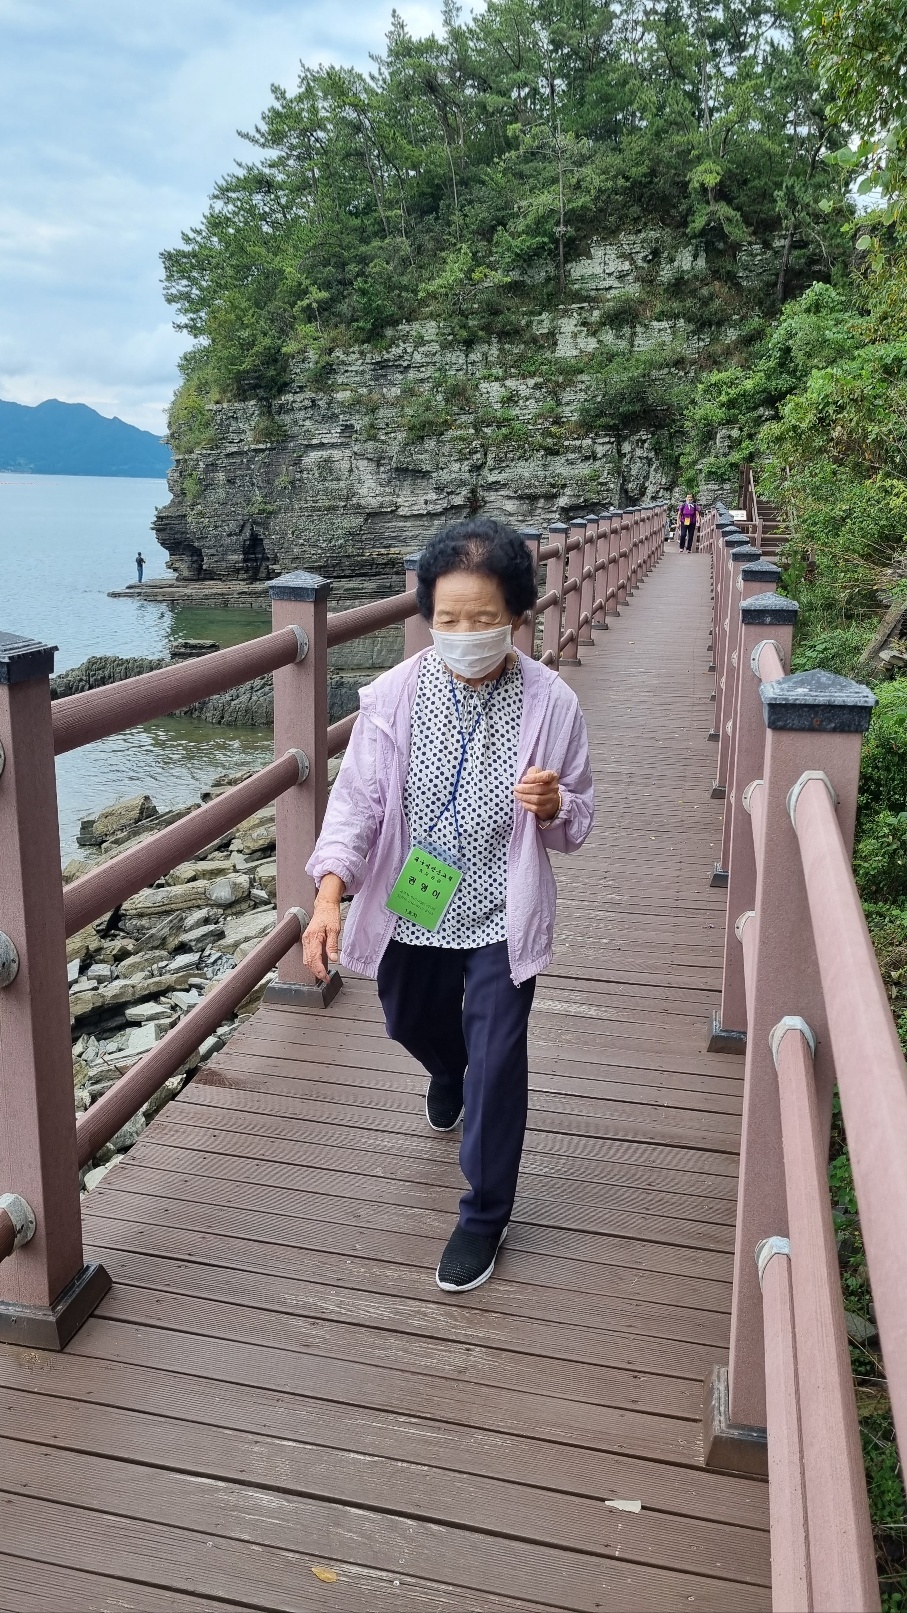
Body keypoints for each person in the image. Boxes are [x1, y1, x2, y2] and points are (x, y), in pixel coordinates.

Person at [303, 518, 595, 1292]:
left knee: (498, 1061)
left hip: (502, 907)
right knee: (406, 1018)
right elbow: (357, 804)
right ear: (427, 615)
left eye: (483, 618)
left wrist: (554, 806)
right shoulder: (393, 697)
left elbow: (578, 822)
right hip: (416, 898)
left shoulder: (551, 703)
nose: (465, 634)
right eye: (448, 618)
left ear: (517, 616)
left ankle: (483, 1215)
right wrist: (329, 893)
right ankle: (445, 1066)